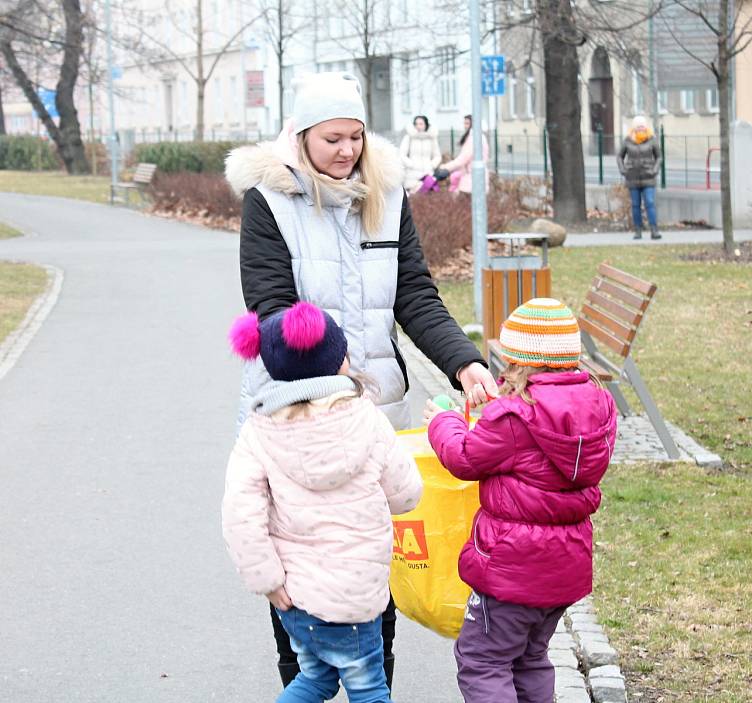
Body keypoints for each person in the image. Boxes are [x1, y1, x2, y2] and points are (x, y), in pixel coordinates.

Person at [225, 71, 497, 690]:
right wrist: (327, 365)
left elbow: (416, 296)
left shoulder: (387, 194)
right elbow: (270, 304)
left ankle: (379, 683)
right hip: (292, 418)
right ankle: (300, 677)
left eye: (356, 137)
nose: (348, 152)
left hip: (375, 418)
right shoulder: (268, 201)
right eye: (332, 140)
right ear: (300, 138)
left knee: (374, 564)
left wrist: (464, 361)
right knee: (298, 569)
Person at [223, 301, 423, 703]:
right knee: (369, 690)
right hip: (356, 596)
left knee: (316, 680)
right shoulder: (367, 420)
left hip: (294, 597)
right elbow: (406, 494)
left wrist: (269, 581)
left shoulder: (258, 432)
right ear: (337, 361)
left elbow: (240, 515)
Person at [423, 298, 617, 703]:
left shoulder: (512, 417)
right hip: (564, 570)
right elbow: (539, 440)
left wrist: (445, 421)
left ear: (519, 362)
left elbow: (463, 457)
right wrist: (496, 408)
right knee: (531, 657)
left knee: (483, 660)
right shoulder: (599, 407)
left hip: (512, 572)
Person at [616, 115, 662, 240]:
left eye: (642, 125)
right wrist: (623, 169)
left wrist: (655, 170)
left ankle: (654, 229)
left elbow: (659, 157)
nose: (640, 128)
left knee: (650, 202)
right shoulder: (628, 140)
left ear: (646, 127)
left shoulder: (652, 140)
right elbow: (620, 156)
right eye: (638, 126)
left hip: (649, 177)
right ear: (634, 128)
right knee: (636, 204)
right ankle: (638, 230)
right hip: (632, 177)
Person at [435, 114, 490, 194]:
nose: (465, 126)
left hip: (471, 179)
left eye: (467, 123)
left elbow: (462, 159)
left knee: (466, 204)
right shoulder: (479, 137)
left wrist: (445, 167)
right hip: (474, 177)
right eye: (464, 123)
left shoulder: (474, 138)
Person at [398, 114, 442, 193]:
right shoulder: (409, 137)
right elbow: (401, 154)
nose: (418, 126)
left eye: (421, 124)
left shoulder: (432, 138)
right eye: (416, 124)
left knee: (428, 198)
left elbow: (437, 156)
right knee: (413, 198)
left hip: (428, 173)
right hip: (412, 174)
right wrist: (411, 164)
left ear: (426, 125)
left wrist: (432, 165)